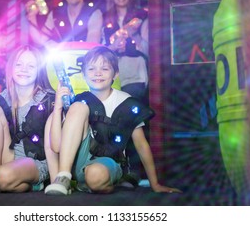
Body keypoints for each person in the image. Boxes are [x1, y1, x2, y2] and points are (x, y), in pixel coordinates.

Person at [44, 46, 181, 195]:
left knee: (95, 175)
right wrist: (57, 108)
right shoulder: (79, 102)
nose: (98, 73)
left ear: (115, 74)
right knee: (74, 109)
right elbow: (57, 147)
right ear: (83, 74)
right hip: (78, 163)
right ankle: (63, 177)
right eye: (91, 69)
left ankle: (106, 185)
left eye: (105, 69)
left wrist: (155, 184)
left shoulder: (126, 103)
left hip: (107, 163)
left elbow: (141, 145)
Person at [0, 45, 55, 193]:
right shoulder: (2, 98)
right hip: (8, 159)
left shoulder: (48, 100)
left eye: (31, 66)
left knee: (3, 177)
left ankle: (4, 178)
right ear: (10, 68)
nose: (24, 69)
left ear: (38, 70)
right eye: (19, 64)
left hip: (35, 162)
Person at [103, 0, 150, 187]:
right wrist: (113, 48)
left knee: (134, 122)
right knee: (115, 123)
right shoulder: (105, 19)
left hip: (135, 73)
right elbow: (100, 48)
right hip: (114, 76)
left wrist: (134, 43)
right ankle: (121, 171)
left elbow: (150, 46)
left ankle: (138, 171)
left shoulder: (141, 16)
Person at [26, 0, 103, 47]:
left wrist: (59, 46)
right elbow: (40, 40)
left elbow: (91, 46)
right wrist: (32, 17)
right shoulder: (55, 13)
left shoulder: (94, 13)